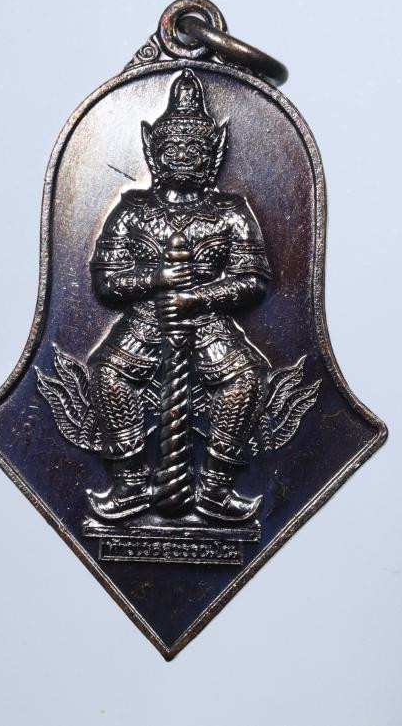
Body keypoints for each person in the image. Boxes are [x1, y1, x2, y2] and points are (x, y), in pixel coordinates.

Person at [87, 69, 271, 522]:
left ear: (214, 154)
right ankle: (132, 483)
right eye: (173, 149)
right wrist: (158, 277)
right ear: (154, 151)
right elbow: (107, 282)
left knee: (247, 377)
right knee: (107, 373)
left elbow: (252, 280)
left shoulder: (230, 212)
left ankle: (216, 487)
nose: (184, 157)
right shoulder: (133, 210)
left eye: (195, 149)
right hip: (146, 321)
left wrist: (199, 298)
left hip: (207, 321)